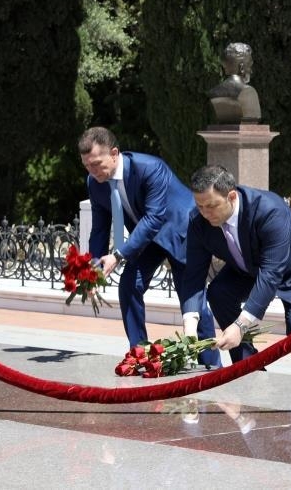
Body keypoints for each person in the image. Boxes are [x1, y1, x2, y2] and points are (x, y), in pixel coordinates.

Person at [78, 127, 220, 367]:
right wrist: (91, 270)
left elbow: (155, 218)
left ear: (114, 153)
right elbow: (100, 229)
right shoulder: (95, 183)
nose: (92, 171)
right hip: (147, 239)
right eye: (86, 166)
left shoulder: (150, 168)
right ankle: (140, 354)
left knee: (191, 297)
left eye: (96, 164)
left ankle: (211, 364)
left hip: (180, 231)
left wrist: (119, 254)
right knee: (129, 285)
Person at [178, 165, 291, 378]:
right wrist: (189, 327)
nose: (205, 213)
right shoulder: (198, 221)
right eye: (200, 206)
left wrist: (240, 326)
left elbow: (271, 273)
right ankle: (250, 371)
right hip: (248, 269)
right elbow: (193, 276)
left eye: (211, 206)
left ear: (231, 196)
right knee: (219, 292)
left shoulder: (268, 209)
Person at [208, 42, 261, 124]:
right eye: (249, 66)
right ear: (242, 67)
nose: (251, 70)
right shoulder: (248, 92)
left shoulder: (215, 92)